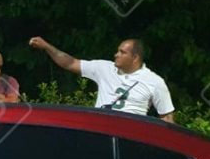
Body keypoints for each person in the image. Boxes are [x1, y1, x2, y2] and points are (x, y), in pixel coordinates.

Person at [28, 37, 175, 123]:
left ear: (135, 58)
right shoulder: (104, 68)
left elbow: (167, 117)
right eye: (117, 51)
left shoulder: (154, 81)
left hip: (132, 136)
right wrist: (47, 46)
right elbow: (70, 63)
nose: (116, 54)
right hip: (102, 130)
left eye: (122, 52)